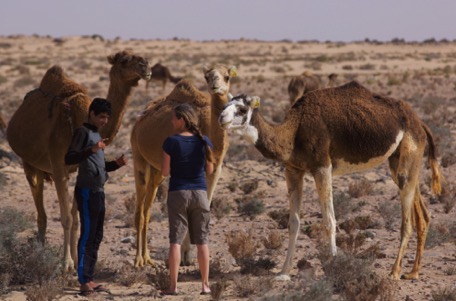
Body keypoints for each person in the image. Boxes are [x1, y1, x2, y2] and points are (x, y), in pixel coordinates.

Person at [65, 98, 127, 296]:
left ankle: (90, 278)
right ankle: (83, 282)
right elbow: (70, 158)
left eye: (107, 117)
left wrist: (116, 164)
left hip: (99, 192)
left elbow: (100, 166)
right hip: (86, 192)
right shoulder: (82, 133)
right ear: (91, 114)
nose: (104, 121)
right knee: (87, 235)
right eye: (101, 116)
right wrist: (91, 149)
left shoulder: (97, 135)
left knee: (97, 236)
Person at [161, 103, 214, 296]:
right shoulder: (204, 141)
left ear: (182, 120)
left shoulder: (171, 142)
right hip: (200, 194)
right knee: (202, 241)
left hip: (178, 193)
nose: (171, 121)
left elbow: (165, 172)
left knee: (175, 241)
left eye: (174, 118)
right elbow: (210, 170)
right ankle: (205, 285)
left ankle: (173, 287)